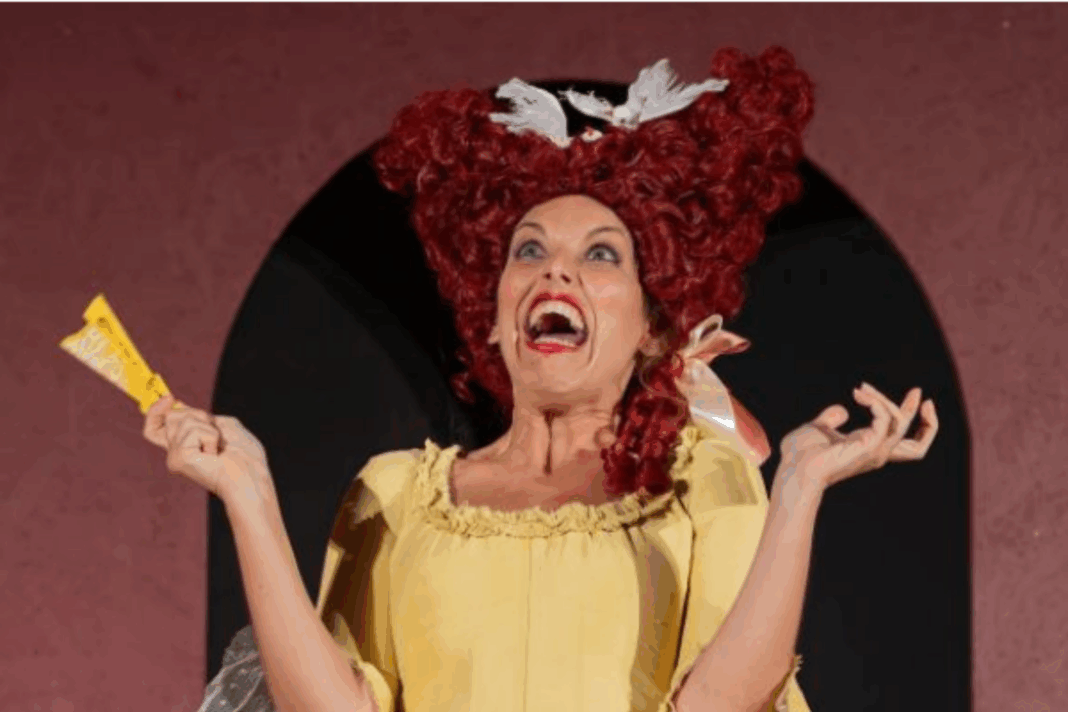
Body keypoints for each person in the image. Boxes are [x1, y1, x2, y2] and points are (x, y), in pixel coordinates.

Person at [144, 47, 938, 712]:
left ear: (652, 327)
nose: (555, 271)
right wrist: (248, 495)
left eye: (601, 255)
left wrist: (797, 487)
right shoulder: (390, 497)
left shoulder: (707, 480)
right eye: (528, 250)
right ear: (491, 317)